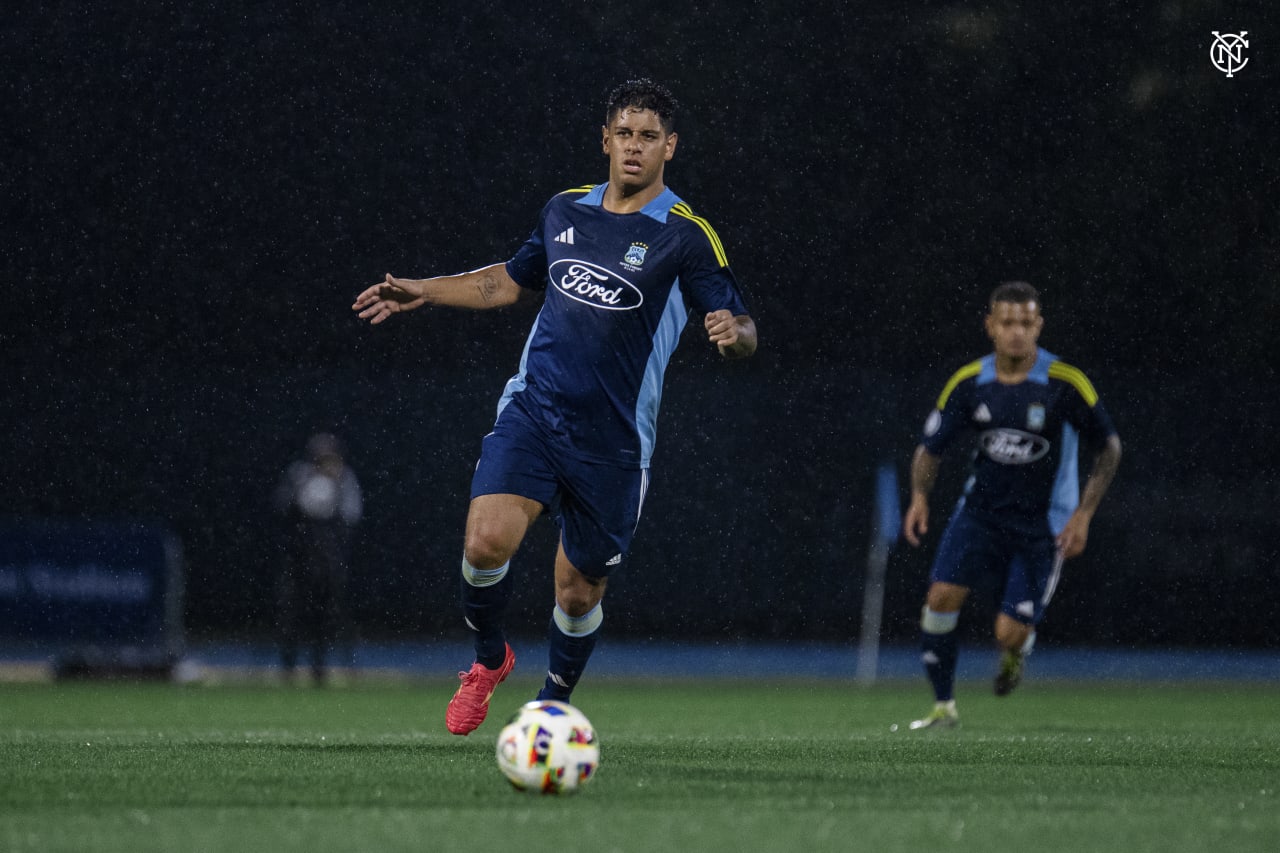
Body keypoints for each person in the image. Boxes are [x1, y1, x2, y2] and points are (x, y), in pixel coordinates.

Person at [352, 79, 757, 735]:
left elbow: (742, 326)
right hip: (536, 413)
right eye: (623, 133)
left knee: (577, 590)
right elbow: (507, 283)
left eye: (648, 136)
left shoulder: (686, 236)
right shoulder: (563, 210)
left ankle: (552, 700)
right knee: (485, 543)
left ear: (670, 147)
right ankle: (488, 660)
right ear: (605, 139)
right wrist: (424, 290)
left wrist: (733, 336)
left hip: (614, 444)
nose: (634, 146)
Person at [901, 281, 1121, 728]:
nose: (1017, 332)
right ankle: (944, 706)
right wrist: (920, 498)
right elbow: (930, 448)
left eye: (1026, 322)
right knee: (940, 597)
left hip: (1043, 525)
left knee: (1009, 633)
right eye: (1008, 323)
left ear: (1038, 325)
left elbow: (1109, 447)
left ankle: (1016, 653)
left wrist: (1084, 513)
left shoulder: (1065, 383)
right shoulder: (969, 383)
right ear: (990, 326)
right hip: (980, 513)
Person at [272, 432, 363, 685]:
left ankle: (319, 667)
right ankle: (287, 668)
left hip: (327, 560)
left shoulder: (344, 478)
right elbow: (282, 508)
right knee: (291, 613)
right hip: (298, 558)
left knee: (325, 616)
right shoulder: (299, 475)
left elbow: (351, 517)